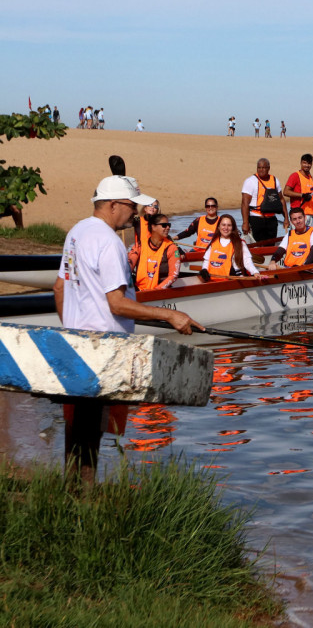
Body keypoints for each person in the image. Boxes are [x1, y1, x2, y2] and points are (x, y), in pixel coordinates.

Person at [53, 176, 201, 477]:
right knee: (93, 428)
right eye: (132, 205)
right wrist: (169, 315)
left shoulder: (76, 232)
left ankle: (69, 491)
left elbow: (59, 287)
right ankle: (85, 495)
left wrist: (70, 328)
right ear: (113, 205)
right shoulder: (110, 242)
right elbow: (117, 304)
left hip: (75, 345)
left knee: (76, 423)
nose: (135, 212)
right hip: (104, 349)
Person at [128, 213, 181, 291]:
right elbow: (129, 266)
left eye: (169, 225)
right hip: (139, 290)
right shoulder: (139, 245)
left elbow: (174, 275)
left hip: (160, 291)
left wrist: (156, 290)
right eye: (164, 225)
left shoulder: (171, 248)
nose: (168, 228)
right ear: (153, 227)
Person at [202, 214, 261, 278]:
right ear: (218, 227)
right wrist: (204, 271)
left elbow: (247, 262)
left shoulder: (240, 243)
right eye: (223, 225)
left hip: (233, 278)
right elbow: (207, 261)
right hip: (213, 278)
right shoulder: (213, 242)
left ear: (233, 228)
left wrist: (255, 272)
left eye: (229, 225)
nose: (226, 228)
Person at [240, 157, 283, 242]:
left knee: (270, 245)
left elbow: (281, 199)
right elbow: (244, 203)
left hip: (271, 219)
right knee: (257, 245)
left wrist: (286, 219)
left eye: (263, 168)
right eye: (259, 168)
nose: (261, 170)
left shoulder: (275, 180)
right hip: (256, 219)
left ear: (268, 168)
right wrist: (245, 223)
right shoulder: (250, 181)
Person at [283, 153, 313, 228]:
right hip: (298, 214)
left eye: (309, 163)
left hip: (309, 214)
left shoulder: (309, 177)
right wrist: (302, 195)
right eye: (304, 163)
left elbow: (312, 196)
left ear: (311, 164)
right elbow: (286, 192)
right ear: (301, 163)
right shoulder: (295, 176)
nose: (307, 165)